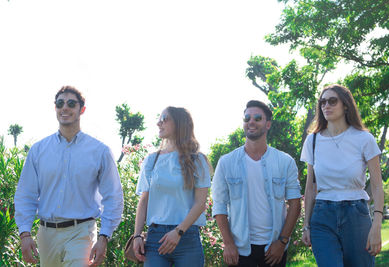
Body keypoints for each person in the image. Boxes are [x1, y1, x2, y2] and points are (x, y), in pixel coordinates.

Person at [14, 86, 124, 267]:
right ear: (55, 108)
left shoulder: (99, 151)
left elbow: (113, 196)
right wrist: (25, 233)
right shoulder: (38, 150)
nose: (65, 108)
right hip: (46, 234)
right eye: (60, 103)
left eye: (71, 104)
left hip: (81, 232)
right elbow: (26, 194)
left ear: (82, 109)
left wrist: (104, 236)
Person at [300, 84, 384, 267]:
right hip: (322, 217)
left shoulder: (364, 139)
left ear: (346, 105)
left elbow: (377, 185)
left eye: (332, 101)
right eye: (322, 102)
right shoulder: (313, 140)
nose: (326, 106)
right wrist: (306, 225)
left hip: (356, 214)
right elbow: (310, 186)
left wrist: (376, 224)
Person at [212, 100, 301, 267]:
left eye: (257, 118)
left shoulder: (285, 162)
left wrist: (282, 242)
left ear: (267, 124)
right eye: (247, 118)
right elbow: (219, 205)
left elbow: (295, 203)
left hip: (274, 248)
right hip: (239, 249)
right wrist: (229, 244)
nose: (251, 122)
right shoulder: (226, 163)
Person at [132, 106, 212, 267]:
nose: (158, 123)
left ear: (179, 124)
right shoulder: (151, 160)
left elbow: (200, 204)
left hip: (187, 238)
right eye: (159, 119)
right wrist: (137, 236)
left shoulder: (197, 160)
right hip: (155, 240)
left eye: (164, 119)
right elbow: (144, 201)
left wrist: (178, 232)